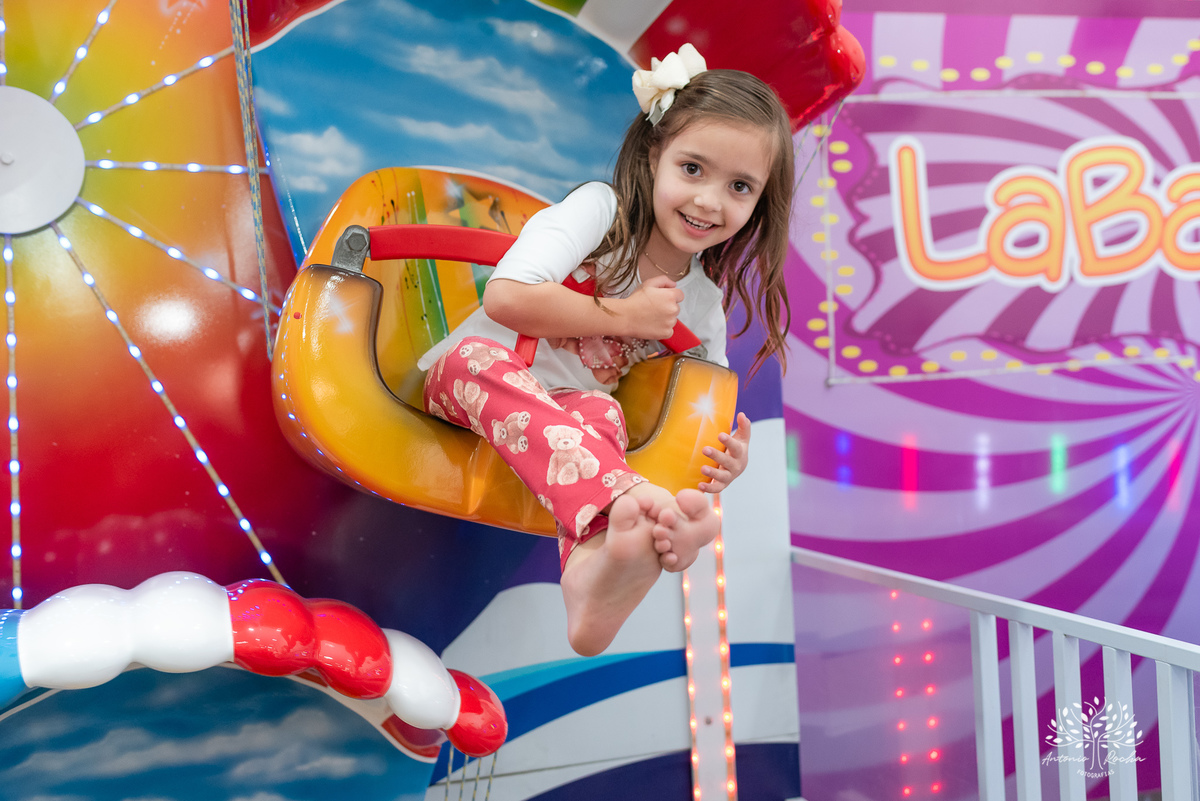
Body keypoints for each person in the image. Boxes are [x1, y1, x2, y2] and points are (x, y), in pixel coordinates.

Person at [417, 44, 794, 656]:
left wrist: (725, 459)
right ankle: (624, 503)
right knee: (476, 361)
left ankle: (593, 570)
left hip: (570, 416)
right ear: (653, 155)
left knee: (605, 413)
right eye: (692, 169)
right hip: (473, 380)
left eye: (740, 186)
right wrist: (623, 315)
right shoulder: (600, 211)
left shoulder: (701, 306)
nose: (708, 200)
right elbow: (506, 300)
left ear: (759, 203)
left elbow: (692, 416)